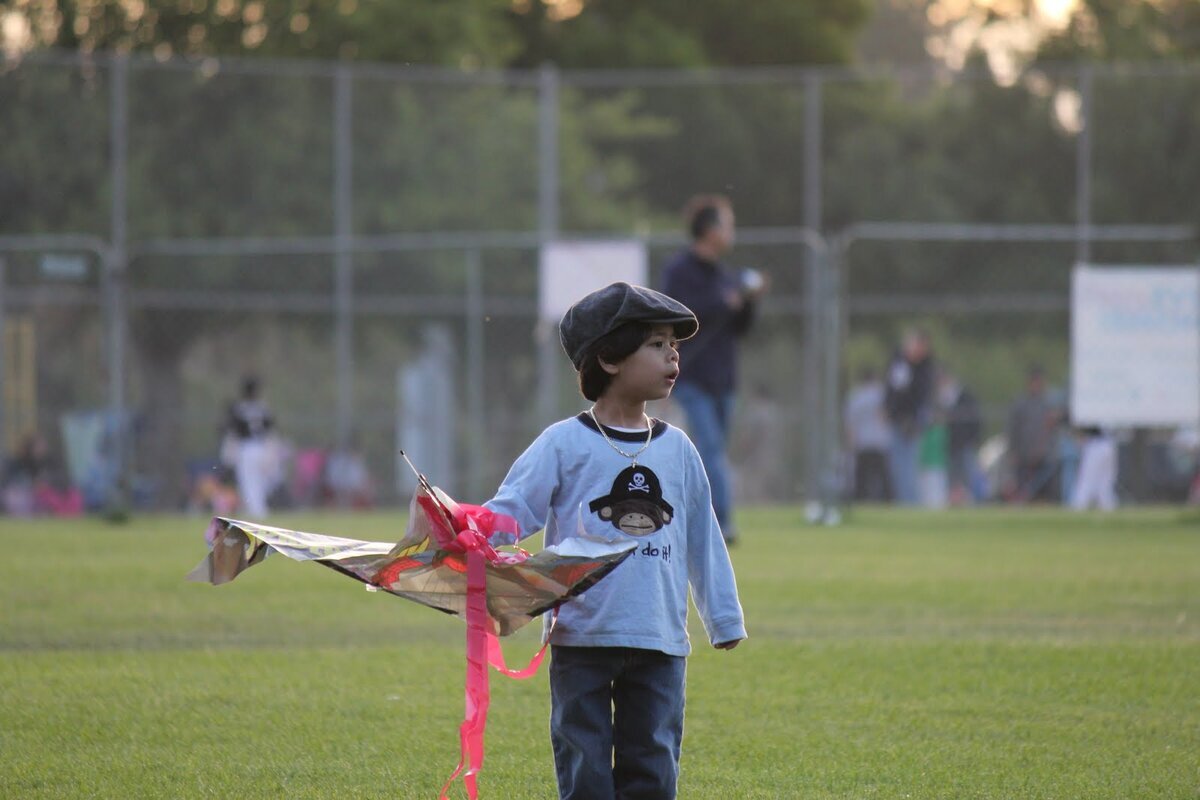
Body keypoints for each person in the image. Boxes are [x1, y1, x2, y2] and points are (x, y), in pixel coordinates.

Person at [483, 282, 746, 800]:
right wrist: (467, 532)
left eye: (675, 344)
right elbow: (511, 513)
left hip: (659, 640)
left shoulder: (678, 450)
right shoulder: (564, 443)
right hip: (582, 637)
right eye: (655, 343)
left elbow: (703, 538)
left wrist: (724, 617)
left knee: (652, 764)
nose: (672, 354)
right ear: (608, 357)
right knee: (584, 765)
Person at [661, 194, 765, 543]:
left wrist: (748, 303)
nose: (732, 231)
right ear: (709, 230)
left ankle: (698, 516)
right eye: (727, 224)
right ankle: (721, 523)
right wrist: (722, 302)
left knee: (714, 451)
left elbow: (739, 328)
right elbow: (678, 314)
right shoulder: (680, 271)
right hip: (692, 376)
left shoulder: (724, 275)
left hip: (724, 378)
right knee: (711, 449)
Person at [884, 328, 935, 505]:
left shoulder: (924, 368)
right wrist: (888, 409)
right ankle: (904, 500)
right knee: (898, 466)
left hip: (912, 421)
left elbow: (921, 396)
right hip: (898, 420)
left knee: (909, 465)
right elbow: (894, 389)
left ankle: (910, 502)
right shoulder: (900, 363)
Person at [225, 375, 275, 517]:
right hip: (260, 447)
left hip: (246, 448)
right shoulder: (262, 407)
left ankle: (256, 511)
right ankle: (258, 509)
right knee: (259, 481)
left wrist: (229, 453)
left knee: (247, 480)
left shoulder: (240, 408)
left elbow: (233, 433)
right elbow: (269, 431)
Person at [1006, 366, 1055, 502]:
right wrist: (1012, 450)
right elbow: (1012, 429)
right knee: (1022, 481)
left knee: (1043, 479)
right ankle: (1022, 499)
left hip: (1041, 453)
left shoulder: (1046, 404)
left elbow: (1050, 430)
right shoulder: (1020, 404)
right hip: (1024, 452)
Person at [844, 367, 893, 502]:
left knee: (862, 479)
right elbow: (884, 416)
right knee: (883, 478)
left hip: (862, 442)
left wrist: (851, 444)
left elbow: (850, 423)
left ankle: (861, 502)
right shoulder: (881, 395)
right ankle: (886, 503)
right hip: (879, 442)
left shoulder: (854, 397)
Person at [941, 372, 984, 505]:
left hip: (965, 444)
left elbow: (974, 420)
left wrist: (973, 439)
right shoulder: (944, 399)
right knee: (953, 477)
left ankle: (971, 501)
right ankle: (955, 501)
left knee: (967, 476)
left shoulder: (966, 397)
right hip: (952, 445)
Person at [1070, 426, 1118, 511]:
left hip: (1096, 445)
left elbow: (1088, 426)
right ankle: (1108, 508)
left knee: (1087, 481)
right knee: (1105, 483)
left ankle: (1079, 507)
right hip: (1109, 445)